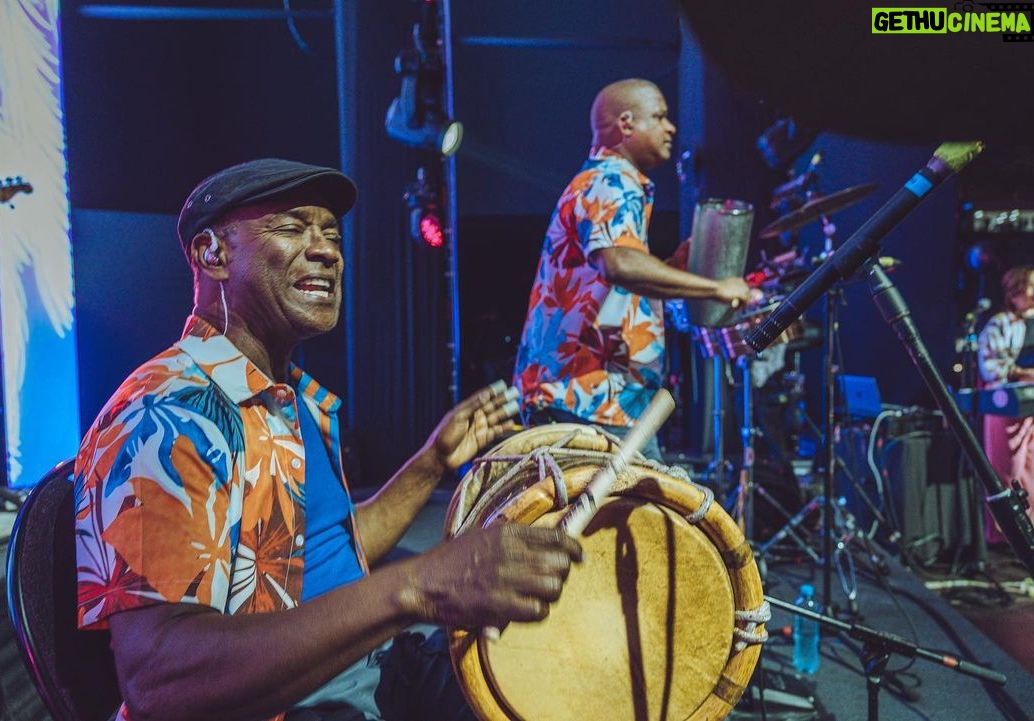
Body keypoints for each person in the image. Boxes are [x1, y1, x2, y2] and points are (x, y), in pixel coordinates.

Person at [73, 158, 583, 721]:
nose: (327, 251)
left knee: (561, 682)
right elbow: (159, 681)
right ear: (212, 254)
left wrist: (432, 463)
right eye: (292, 228)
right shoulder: (167, 414)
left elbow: (323, 553)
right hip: (297, 707)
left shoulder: (284, 394)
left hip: (375, 666)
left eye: (333, 236)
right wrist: (420, 584)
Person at [513, 78, 752, 460]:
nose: (670, 127)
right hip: (589, 400)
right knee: (647, 499)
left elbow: (615, 279)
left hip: (595, 401)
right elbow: (619, 264)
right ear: (626, 124)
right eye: (659, 117)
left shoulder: (604, 182)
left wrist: (672, 268)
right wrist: (716, 288)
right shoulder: (611, 181)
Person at [978, 264, 1034, 544]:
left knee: (1031, 468)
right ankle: (1005, 537)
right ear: (1014, 293)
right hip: (1006, 405)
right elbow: (992, 368)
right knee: (1006, 470)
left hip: (1030, 406)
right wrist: (1024, 374)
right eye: (1030, 286)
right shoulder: (1000, 323)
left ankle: (1030, 530)